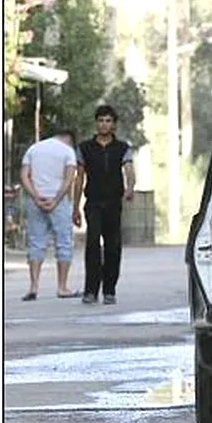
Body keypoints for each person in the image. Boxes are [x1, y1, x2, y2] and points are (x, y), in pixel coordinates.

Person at [72, 105, 136, 305]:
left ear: (114, 124)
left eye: (108, 121)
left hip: (113, 203)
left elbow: (129, 169)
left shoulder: (122, 148)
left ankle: (109, 290)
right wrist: (75, 207)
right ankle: (91, 291)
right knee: (92, 244)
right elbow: (79, 178)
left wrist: (130, 188)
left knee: (113, 247)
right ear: (96, 123)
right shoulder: (85, 148)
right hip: (93, 202)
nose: (104, 124)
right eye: (100, 120)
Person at [19, 129, 80, 300]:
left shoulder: (33, 149)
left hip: (35, 201)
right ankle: (62, 287)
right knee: (64, 243)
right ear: (70, 140)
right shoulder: (68, 151)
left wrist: (35, 196)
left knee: (35, 243)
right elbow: (69, 179)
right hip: (58, 202)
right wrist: (56, 200)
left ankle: (33, 287)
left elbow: (24, 176)